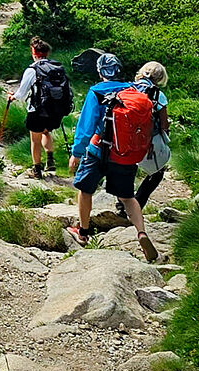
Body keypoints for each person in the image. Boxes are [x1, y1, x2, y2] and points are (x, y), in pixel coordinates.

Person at [68, 52, 159, 261]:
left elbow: (85, 128)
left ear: (100, 72)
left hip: (98, 150)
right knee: (127, 197)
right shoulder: (133, 90)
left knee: (85, 190)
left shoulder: (96, 92)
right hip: (124, 154)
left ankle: (83, 232)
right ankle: (141, 232)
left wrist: (76, 153)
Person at [7, 36, 72, 178]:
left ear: (33, 52)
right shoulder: (57, 68)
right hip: (55, 110)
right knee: (46, 132)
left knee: (34, 140)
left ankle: (36, 169)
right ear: (47, 53)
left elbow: (21, 93)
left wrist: (12, 97)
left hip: (37, 110)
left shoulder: (32, 70)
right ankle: (50, 159)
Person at [131, 61, 172, 211]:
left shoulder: (128, 88)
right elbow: (163, 124)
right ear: (160, 77)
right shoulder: (158, 95)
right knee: (157, 172)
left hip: (124, 137)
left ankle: (122, 203)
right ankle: (137, 204)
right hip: (147, 139)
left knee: (127, 168)